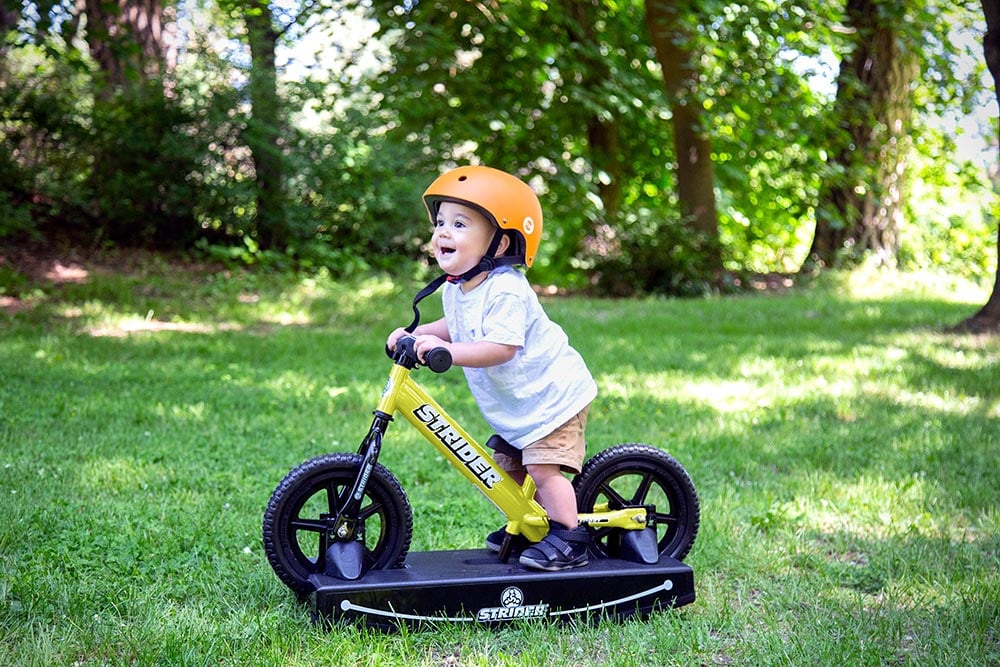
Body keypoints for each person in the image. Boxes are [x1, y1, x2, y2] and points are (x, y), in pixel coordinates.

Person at [386, 165, 598, 571]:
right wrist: (415, 333)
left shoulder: (506, 289)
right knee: (508, 470)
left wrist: (447, 352)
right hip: (520, 404)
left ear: (499, 243)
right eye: (441, 222)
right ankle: (534, 524)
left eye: (459, 224)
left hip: (552, 398)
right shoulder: (457, 287)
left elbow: (501, 347)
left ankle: (568, 536)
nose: (443, 232)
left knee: (542, 468)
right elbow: (456, 325)